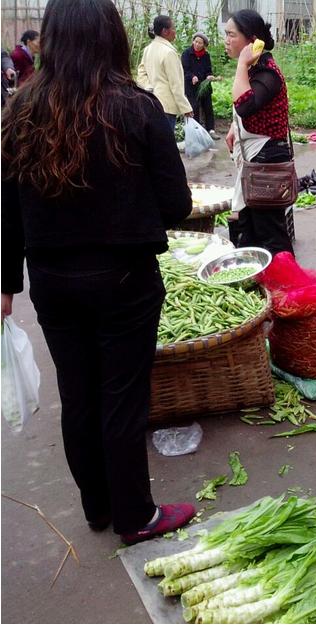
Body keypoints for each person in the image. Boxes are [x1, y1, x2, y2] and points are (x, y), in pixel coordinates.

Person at [1, 0, 194, 545]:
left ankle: (98, 507)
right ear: (113, 38)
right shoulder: (135, 107)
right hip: (124, 279)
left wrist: (6, 284)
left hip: (53, 282)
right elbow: (177, 203)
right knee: (123, 397)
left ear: (53, 40)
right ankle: (136, 515)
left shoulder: (20, 109)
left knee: (79, 393)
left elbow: (8, 209)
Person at [224, 9, 295, 255]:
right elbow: (248, 110)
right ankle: (259, 285)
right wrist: (236, 128)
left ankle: (286, 288)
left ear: (252, 41)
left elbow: (244, 104)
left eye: (231, 35)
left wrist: (242, 63)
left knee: (271, 235)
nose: (227, 40)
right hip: (257, 160)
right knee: (249, 228)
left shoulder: (267, 72)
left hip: (267, 161)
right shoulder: (256, 70)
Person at [137, 15, 193, 132]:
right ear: (165, 31)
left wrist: (149, 86)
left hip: (151, 102)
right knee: (166, 143)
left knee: (155, 142)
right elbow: (175, 84)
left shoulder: (148, 49)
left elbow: (141, 73)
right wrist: (185, 107)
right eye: (173, 28)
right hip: (166, 106)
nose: (175, 31)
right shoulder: (169, 52)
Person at [182, 32, 220, 140]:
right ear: (193, 41)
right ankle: (197, 133)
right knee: (194, 108)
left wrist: (209, 76)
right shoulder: (186, 54)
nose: (197, 44)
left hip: (204, 86)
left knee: (208, 107)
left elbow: (208, 70)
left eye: (200, 43)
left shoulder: (206, 55)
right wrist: (192, 77)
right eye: (196, 41)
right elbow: (185, 70)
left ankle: (211, 130)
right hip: (191, 86)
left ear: (204, 45)